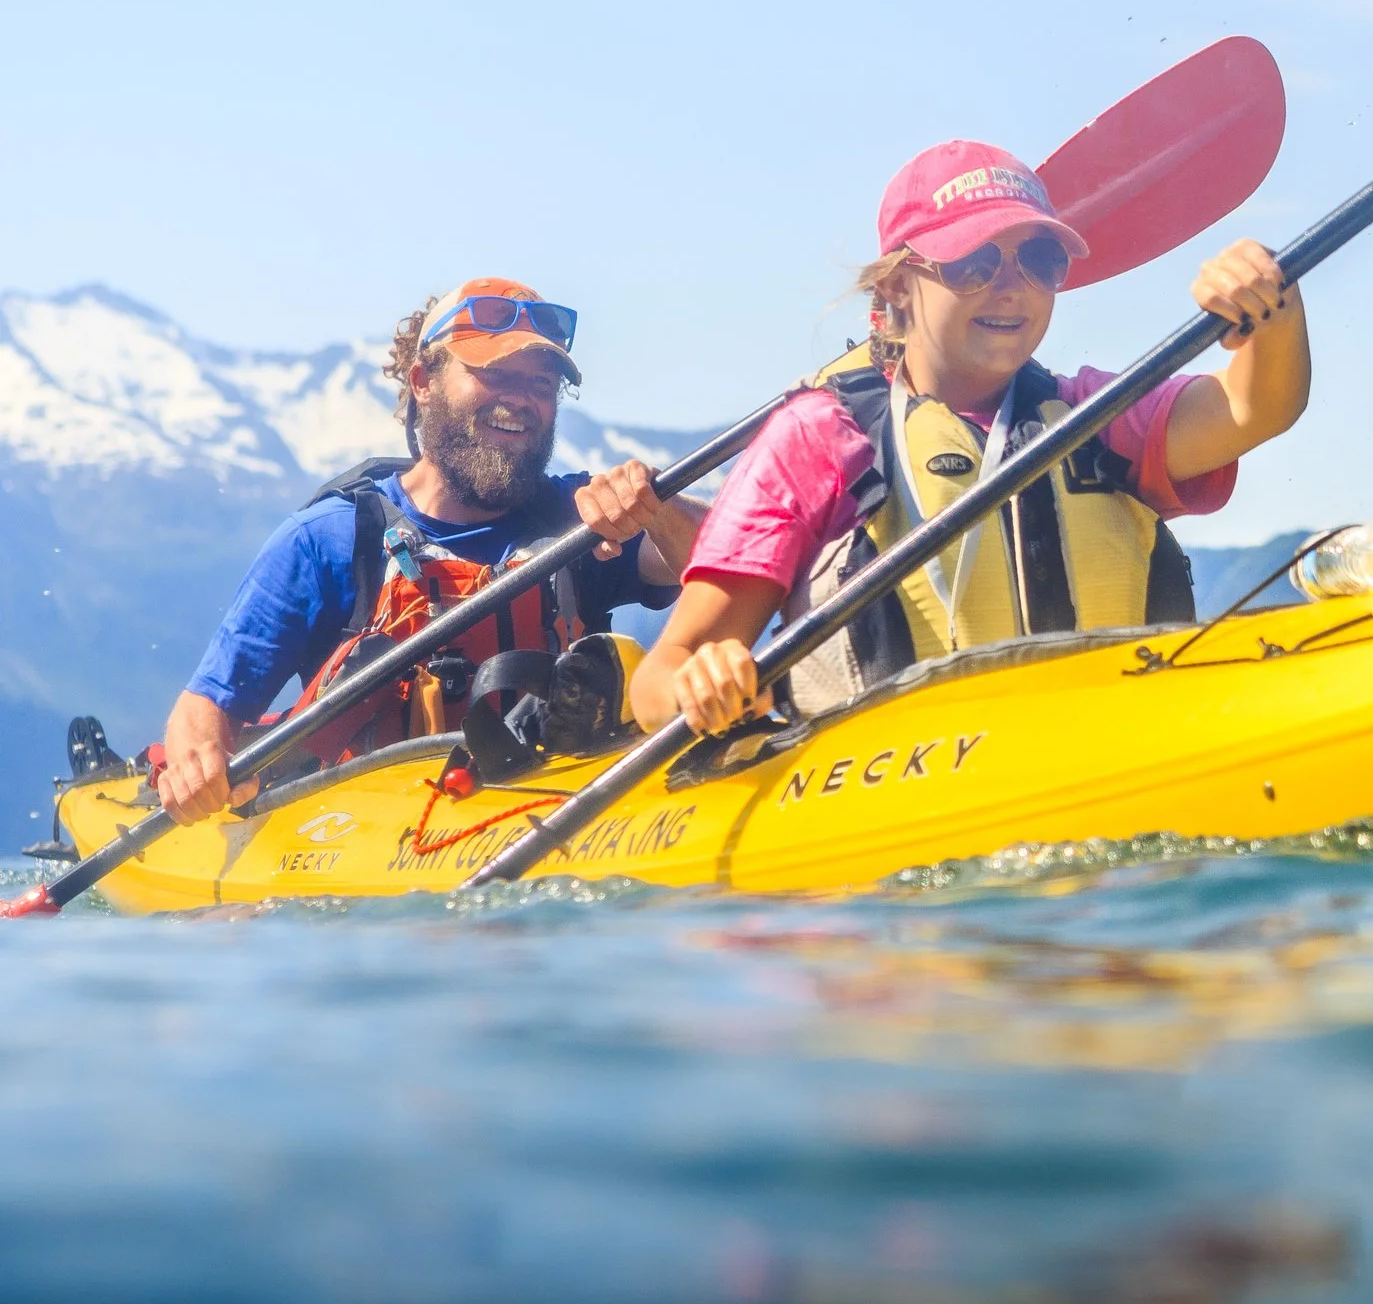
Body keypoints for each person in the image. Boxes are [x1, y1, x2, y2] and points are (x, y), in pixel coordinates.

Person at [632, 140, 1310, 735]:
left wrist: (1271, 311)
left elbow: (1255, 408)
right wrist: (698, 684)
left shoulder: (1091, 411)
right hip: (901, 806)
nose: (1010, 289)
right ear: (899, 285)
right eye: (973, 264)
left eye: (1039, 260)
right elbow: (660, 675)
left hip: (1106, 748)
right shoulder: (816, 438)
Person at [159, 278, 707, 824]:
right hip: (365, 834)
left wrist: (658, 505)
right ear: (423, 381)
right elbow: (206, 708)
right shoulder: (327, 539)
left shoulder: (584, 516)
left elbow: (731, 558)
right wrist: (196, 766)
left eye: (541, 382)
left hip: (561, 806)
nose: (521, 397)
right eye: (494, 374)